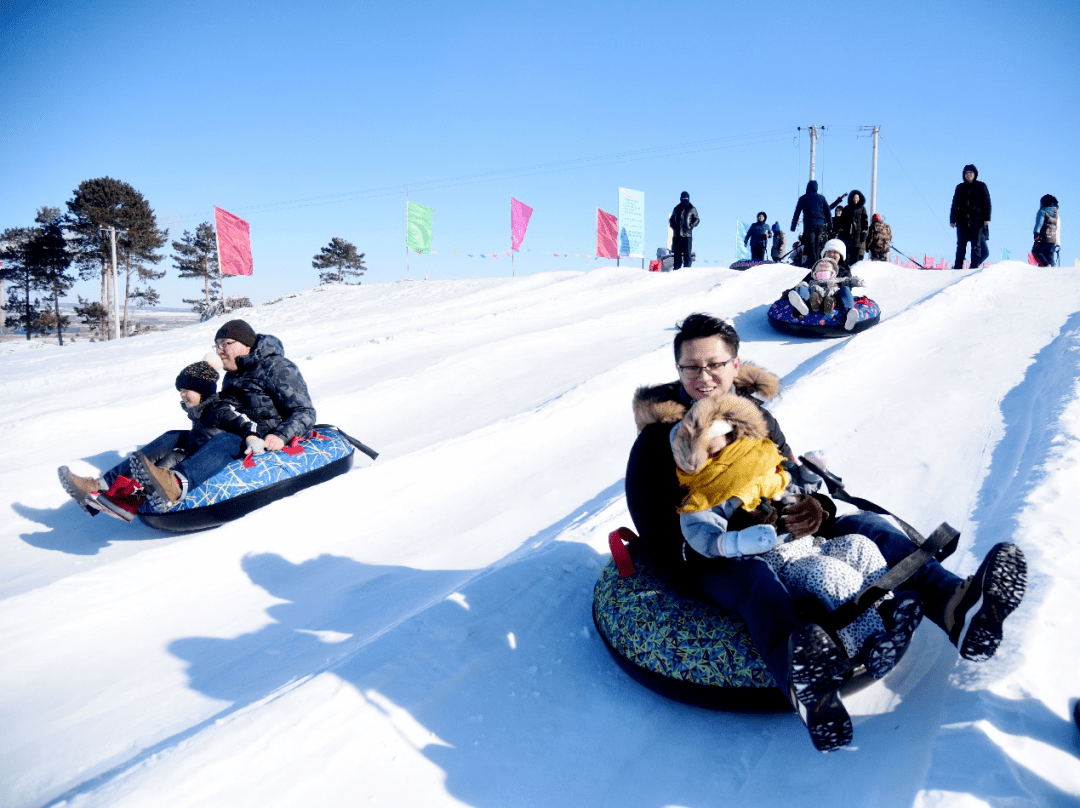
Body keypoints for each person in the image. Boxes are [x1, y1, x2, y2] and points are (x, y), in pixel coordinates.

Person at [625, 313, 1027, 751]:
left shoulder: (754, 418)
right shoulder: (661, 440)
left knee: (870, 529)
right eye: (691, 367)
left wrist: (817, 508)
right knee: (755, 580)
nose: (703, 377)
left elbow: (792, 475)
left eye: (715, 364)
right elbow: (658, 532)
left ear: (736, 365)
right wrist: (730, 539)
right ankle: (804, 686)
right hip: (713, 558)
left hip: (780, 536)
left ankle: (957, 607)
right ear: (679, 369)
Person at [668, 391, 922, 680]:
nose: (724, 456)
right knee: (829, 574)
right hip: (777, 562)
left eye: (726, 445)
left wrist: (811, 480)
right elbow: (702, 533)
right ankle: (869, 643)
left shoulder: (762, 465)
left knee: (859, 546)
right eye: (713, 453)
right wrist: (739, 539)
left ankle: (886, 607)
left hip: (809, 543)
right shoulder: (707, 493)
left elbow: (795, 488)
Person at [59, 320, 317, 515]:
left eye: (225, 344)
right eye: (217, 345)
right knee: (174, 438)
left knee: (224, 440)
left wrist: (280, 436)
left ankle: (175, 486)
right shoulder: (232, 376)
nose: (220, 350)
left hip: (258, 440)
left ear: (245, 344)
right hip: (233, 432)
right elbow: (224, 412)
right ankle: (104, 489)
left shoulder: (277, 367)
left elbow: (305, 412)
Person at [786, 239, 863, 331]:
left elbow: (847, 283)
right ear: (824, 254)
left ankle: (849, 313)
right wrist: (793, 290)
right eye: (829, 252)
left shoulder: (843, 270)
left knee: (845, 289)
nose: (831, 254)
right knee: (803, 285)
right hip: (815, 294)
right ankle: (802, 303)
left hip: (834, 295)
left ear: (841, 256)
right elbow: (806, 280)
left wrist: (848, 284)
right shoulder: (818, 267)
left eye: (835, 252)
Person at [950, 164, 991, 268]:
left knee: (976, 246)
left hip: (977, 221)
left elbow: (987, 203)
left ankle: (974, 267)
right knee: (961, 246)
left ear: (975, 174)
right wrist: (952, 219)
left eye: (971, 173)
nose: (969, 175)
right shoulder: (960, 187)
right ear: (964, 175)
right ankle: (958, 267)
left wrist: (987, 218)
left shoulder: (981, 186)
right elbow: (955, 204)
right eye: (967, 173)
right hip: (962, 221)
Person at [790, 180, 832, 265]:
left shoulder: (803, 198)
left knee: (811, 243)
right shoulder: (821, 198)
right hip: (820, 224)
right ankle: (817, 261)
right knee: (817, 243)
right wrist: (830, 225)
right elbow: (828, 212)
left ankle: (813, 263)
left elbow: (797, 213)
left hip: (809, 224)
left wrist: (793, 226)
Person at [836, 190, 869, 263]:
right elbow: (842, 222)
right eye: (854, 198)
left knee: (856, 259)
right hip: (848, 238)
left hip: (858, 238)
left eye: (857, 198)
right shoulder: (847, 208)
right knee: (847, 258)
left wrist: (864, 233)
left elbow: (865, 222)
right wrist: (841, 233)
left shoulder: (862, 209)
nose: (856, 200)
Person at [669, 191, 700, 270]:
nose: (684, 200)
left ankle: (687, 270)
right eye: (683, 198)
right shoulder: (676, 208)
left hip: (687, 235)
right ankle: (676, 269)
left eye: (686, 198)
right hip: (677, 235)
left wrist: (691, 225)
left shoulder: (692, 209)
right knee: (677, 254)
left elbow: (697, 219)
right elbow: (671, 219)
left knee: (687, 254)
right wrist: (674, 226)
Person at [1032, 194, 1060, 267]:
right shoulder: (1056, 215)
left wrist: (1036, 235)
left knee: (1036, 251)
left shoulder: (1042, 211)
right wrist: (1058, 243)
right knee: (1049, 256)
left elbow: (1039, 224)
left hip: (1043, 237)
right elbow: (1058, 229)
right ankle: (1052, 271)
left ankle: (1045, 265)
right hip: (1052, 239)